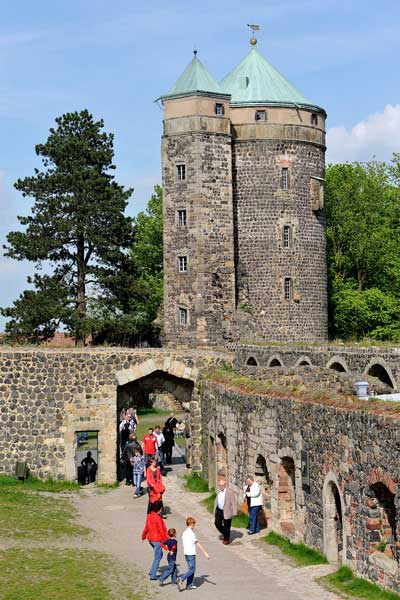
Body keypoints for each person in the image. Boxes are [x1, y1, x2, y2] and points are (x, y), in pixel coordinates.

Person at [178, 517, 210, 591]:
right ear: (192, 524)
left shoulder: (184, 532)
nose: (194, 526)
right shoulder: (192, 533)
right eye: (194, 524)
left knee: (191, 569)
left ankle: (189, 585)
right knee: (192, 569)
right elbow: (197, 544)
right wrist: (205, 553)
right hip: (191, 554)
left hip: (186, 553)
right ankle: (181, 579)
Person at [142, 500, 169, 581]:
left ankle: (152, 571)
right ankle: (153, 574)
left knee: (158, 555)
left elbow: (146, 527)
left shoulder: (149, 516)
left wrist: (143, 535)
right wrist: (167, 541)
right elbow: (162, 531)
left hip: (150, 538)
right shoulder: (158, 519)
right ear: (159, 509)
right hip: (157, 540)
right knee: (158, 556)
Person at [214, 474, 237, 545]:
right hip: (219, 510)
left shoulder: (230, 492)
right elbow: (217, 499)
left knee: (227, 526)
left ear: (225, 485)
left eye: (221, 485)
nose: (220, 487)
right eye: (219, 485)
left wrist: (234, 512)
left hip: (227, 511)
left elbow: (233, 503)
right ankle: (225, 533)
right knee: (217, 523)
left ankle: (226, 539)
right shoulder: (218, 490)